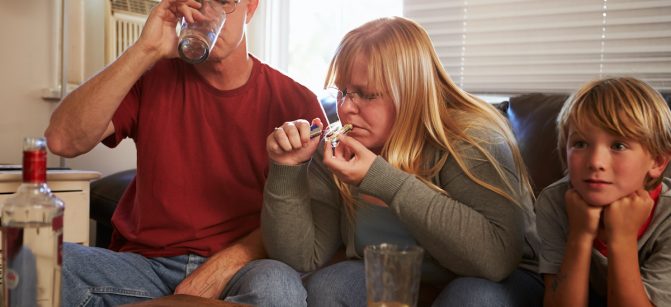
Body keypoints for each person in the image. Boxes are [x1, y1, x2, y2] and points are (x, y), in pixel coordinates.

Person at [44, 0, 327, 305]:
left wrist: (234, 259)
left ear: (251, 7)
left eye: (222, 2)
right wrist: (145, 49)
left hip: (245, 268)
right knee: (43, 260)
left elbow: (319, 215)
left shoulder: (295, 100)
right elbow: (62, 141)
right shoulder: (151, 76)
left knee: (278, 287)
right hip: (145, 266)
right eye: (196, 1)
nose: (207, 12)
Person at [262, 16, 543, 306]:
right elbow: (301, 257)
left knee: (472, 298)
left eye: (367, 94)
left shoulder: (471, 138)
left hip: (495, 280)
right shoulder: (338, 147)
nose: (345, 108)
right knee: (329, 286)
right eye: (343, 92)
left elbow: (495, 260)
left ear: (412, 94)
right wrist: (288, 169)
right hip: (400, 275)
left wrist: (381, 179)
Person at [537, 77, 671, 307]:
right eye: (580, 144)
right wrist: (580, 233)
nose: (596, 162)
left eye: (618, 146)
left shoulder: (667, 215)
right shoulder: (553, 201)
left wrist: (623, 237)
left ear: (657, 162)